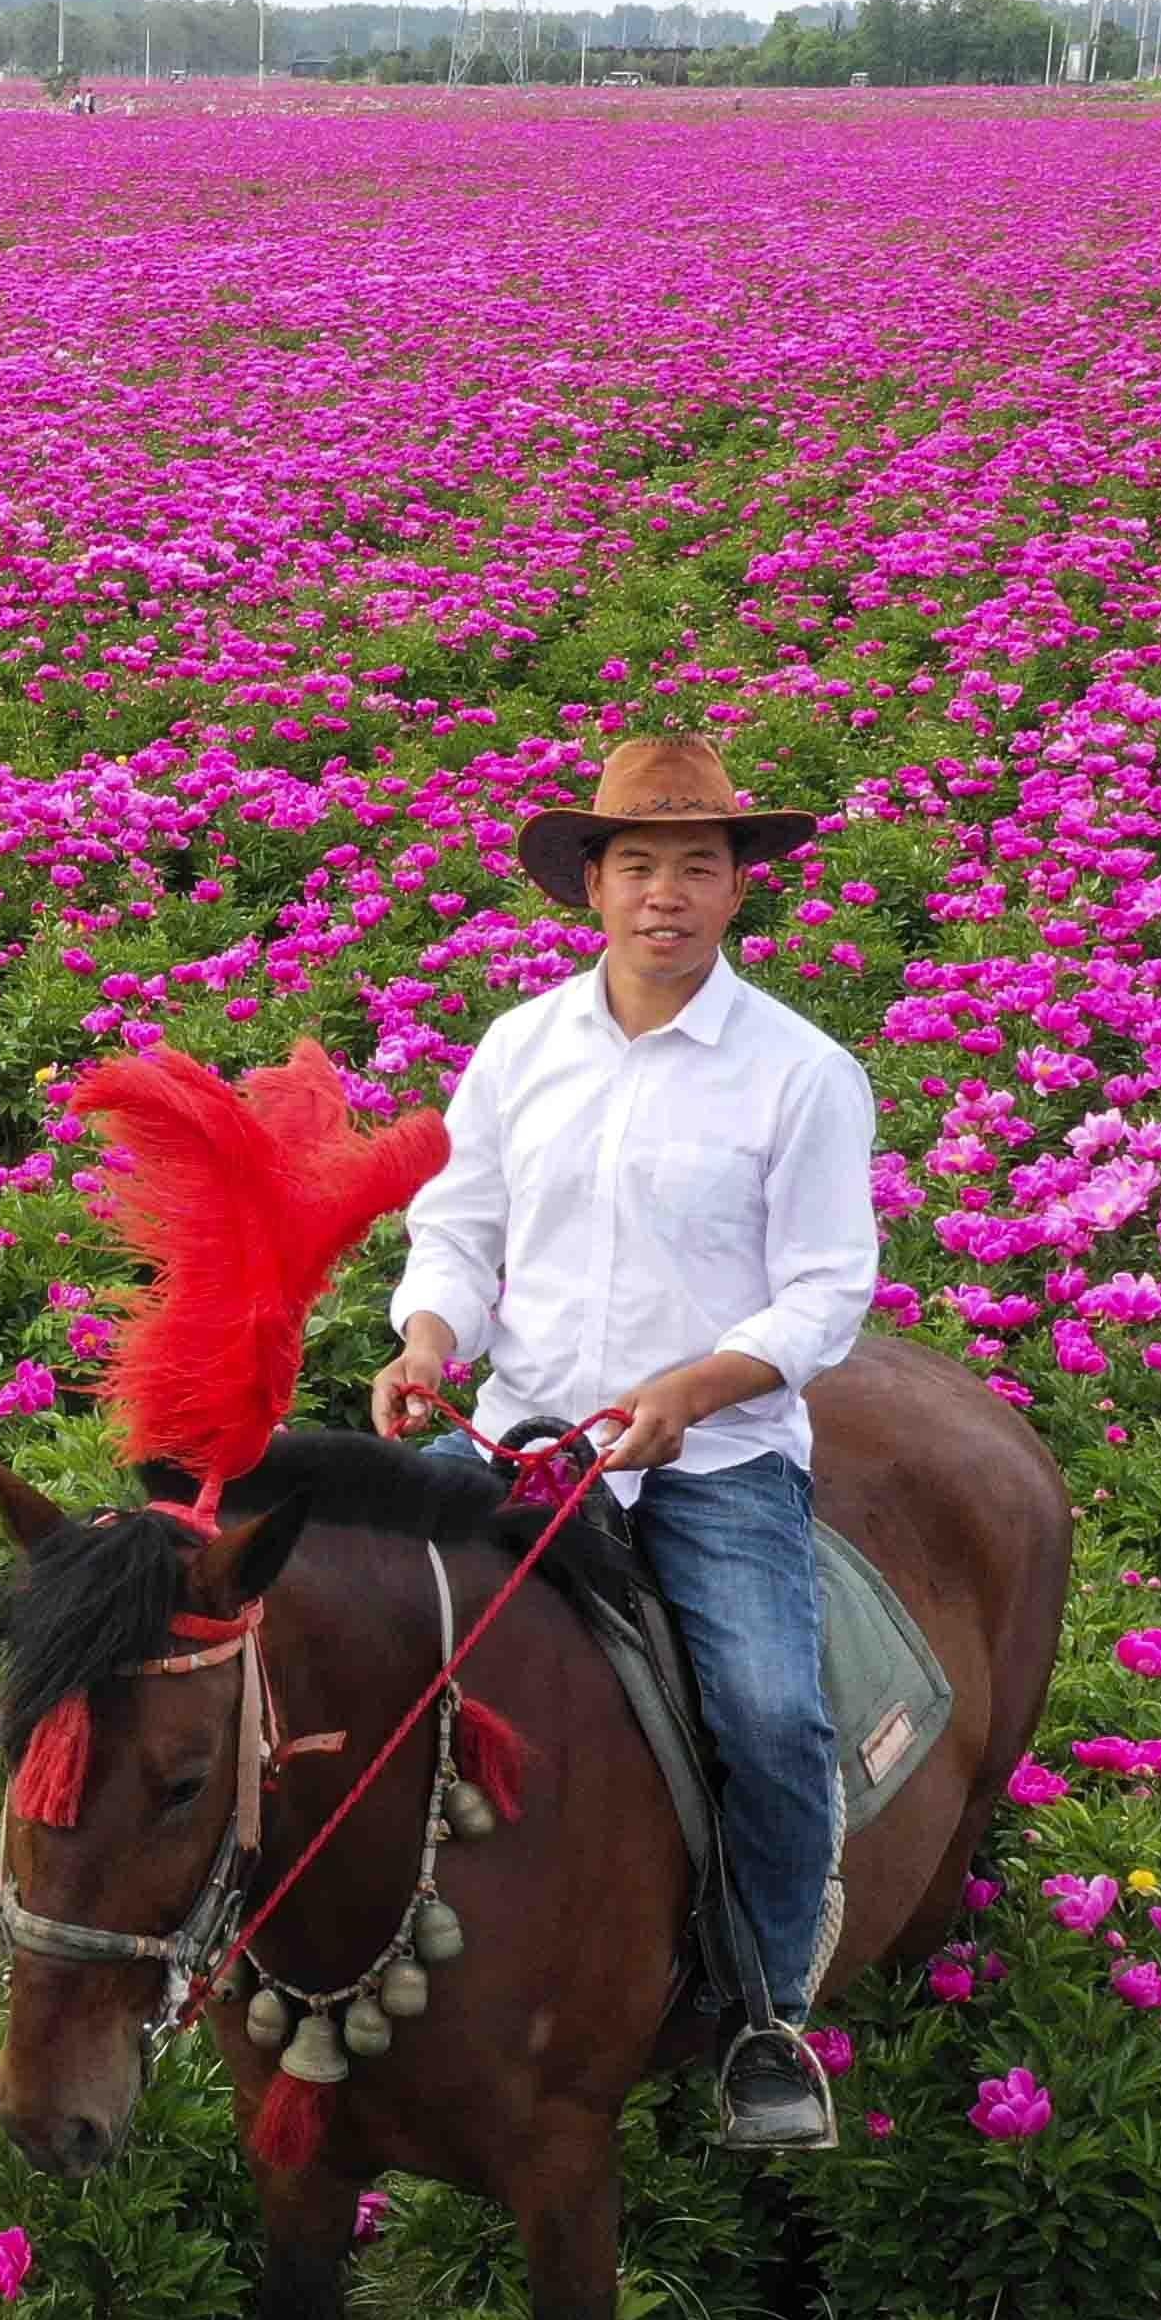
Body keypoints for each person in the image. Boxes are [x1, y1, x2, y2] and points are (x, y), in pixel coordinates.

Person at [368, 732, 877, 2150]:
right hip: (525, 1439)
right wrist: (425, 1339)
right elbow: (460, 1230)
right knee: (345, 1643)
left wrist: (703, 1386)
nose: (667, 894)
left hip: (712, 1461)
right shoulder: (520, 1047)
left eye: (697, 868)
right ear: (590, 884)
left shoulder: (801, 1073)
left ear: (738, 893)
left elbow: (830, 1290)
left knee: (774, 1719)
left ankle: (767, 2013)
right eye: (637, 865)